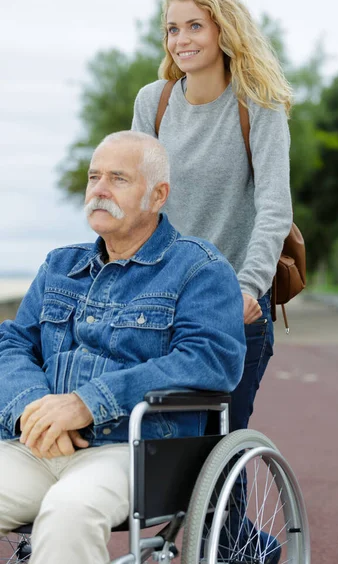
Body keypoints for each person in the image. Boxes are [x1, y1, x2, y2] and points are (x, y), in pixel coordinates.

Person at [0, 130, 246, 564]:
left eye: (118, 179)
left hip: (131, 449)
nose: (99, 190)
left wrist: (87, 403)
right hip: (38, 446)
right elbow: (13, 343)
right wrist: (35, 410)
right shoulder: (60, 264)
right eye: (94, 177)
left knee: (69, 513)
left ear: (158, 195)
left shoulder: (199, 269)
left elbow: (210, 361)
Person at [131, 0, 292, 562]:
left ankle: (240, 549)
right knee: (160, 440)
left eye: (194, 25)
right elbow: (139, 196)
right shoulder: (156, 101)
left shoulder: (258, 104)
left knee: (217, 449)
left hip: (232, 309)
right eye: (173, 28)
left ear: (224, 30)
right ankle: (228, 545)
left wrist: (248, 287)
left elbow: (275, 207)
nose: (181, 39)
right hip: (161, 304)